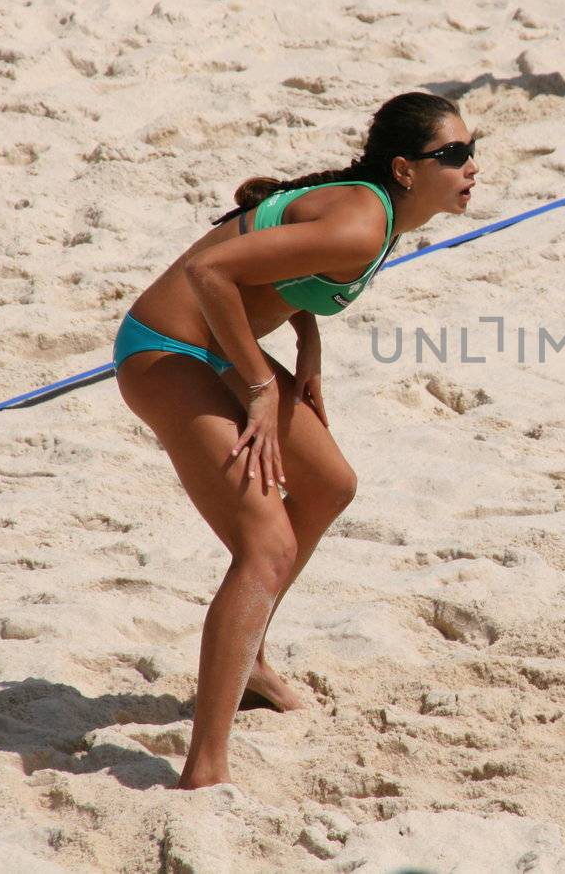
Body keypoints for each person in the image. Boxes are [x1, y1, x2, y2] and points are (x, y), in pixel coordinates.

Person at [113, 92, 479, 788]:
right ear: (405, 169)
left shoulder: (381, 214)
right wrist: (259, 385)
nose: (471, 167)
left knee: (332, 484)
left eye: (470, 151)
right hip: (164, 350)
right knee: (268, 544)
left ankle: (245, 658)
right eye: (453, 155)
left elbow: (282, 277)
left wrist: (306, 347)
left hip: (222, 344)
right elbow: (210, 272)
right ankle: (204, 769)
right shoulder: (363, 224)